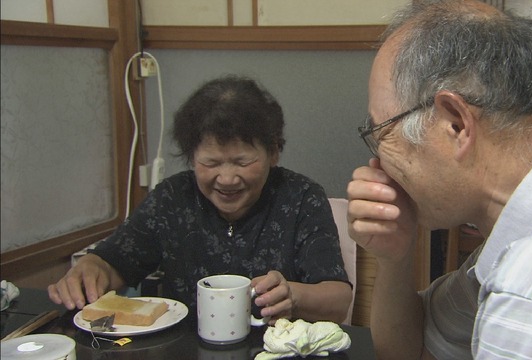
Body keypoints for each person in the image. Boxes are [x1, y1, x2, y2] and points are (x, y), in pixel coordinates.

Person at [347, 1, 532, 359]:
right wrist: (395, 257)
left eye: (381, 132)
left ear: (455, 123)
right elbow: (411, 348)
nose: (377, 163)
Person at [49, 75, 352, 324]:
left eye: (242, 162)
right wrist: (91, 268)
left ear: (273, 152)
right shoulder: (172, 198)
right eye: (211, 163)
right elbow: (114, 264)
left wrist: (292, 295)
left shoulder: (300, 197)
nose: (227, 178)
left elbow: (337, 299)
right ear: (191, 157)